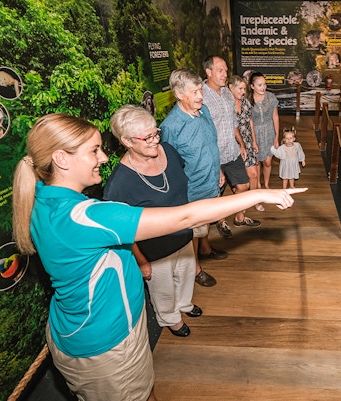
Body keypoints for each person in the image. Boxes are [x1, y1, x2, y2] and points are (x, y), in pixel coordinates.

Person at [12, 112, 303, 401]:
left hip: (79, 330)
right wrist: (259, 195)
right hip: (107, 340)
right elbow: (185, 217)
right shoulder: (87, 217)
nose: (102, 158)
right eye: (94, 150)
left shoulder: (43, 199)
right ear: (61, 159)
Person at [103, 105, 201, 337]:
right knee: (164, 289)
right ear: (127, 141)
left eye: (156, 133)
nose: (155, 140)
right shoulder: (119, 184)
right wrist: (141, 261)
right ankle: (170, 318)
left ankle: (185, 304)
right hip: (155, 251)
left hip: (183, 236)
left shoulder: (168, 150)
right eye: (147, 137)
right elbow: (122, 233)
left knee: (186, 277)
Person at [160, 68, 225, 288]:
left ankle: (206, 249)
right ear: (178, 94)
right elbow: (169, 167)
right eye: (194, 92)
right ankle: (196, 269)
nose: (200, 96)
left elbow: (211, 145)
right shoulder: (171, 127)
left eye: (200, 90)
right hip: (192, 191)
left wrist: (219, 171)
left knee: (204, 226)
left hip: (211, 182)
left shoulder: (203, 111)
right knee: (194, 233)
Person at [202, 55, 261, 237]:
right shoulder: (201, 96)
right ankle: (220, 221)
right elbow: (203, 131)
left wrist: (242, 144)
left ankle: (239, 217)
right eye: (221, 70)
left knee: (243, 185)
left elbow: (233, 122)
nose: (225, 74)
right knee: (216, 192)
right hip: (214, 155)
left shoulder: (227, 93)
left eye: (226, 70)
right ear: (209, 72)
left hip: (233, 151)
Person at [228, 75, 263, 212]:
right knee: (239, 181)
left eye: (244, 88)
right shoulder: (226, 105)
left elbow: (250, 121)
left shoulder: (245, 102)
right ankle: (239, 206)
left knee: (253, 174)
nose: (243, 92)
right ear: (231, 87)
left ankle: (253, 201)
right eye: (240, 88)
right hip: (232, 144)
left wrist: (254, 141)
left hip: (247, 142)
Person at [248, 71, 280, 190]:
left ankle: (266, 184)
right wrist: (253, 141)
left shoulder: (271, 97)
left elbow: (275, 117)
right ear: (252, 86)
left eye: (264, 84)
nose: (263, 87)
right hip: (254, 133)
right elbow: (249, 121)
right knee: (256, 162)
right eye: (259, 85)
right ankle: (258, 185)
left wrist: (276, 136)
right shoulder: (247, 100)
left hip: (269, 132)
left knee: (267, 162)